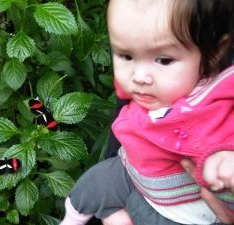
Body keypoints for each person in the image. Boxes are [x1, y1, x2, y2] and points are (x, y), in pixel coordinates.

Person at [60, 0, 234, 224]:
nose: (139, 76)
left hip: (171, 210)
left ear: (213, 53)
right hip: (132, 169)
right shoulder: (157, 83)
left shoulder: (209, 109)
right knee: (91, 185)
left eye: (164, 60)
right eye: (126, 56)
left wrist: (223, 163)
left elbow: (225, 136)